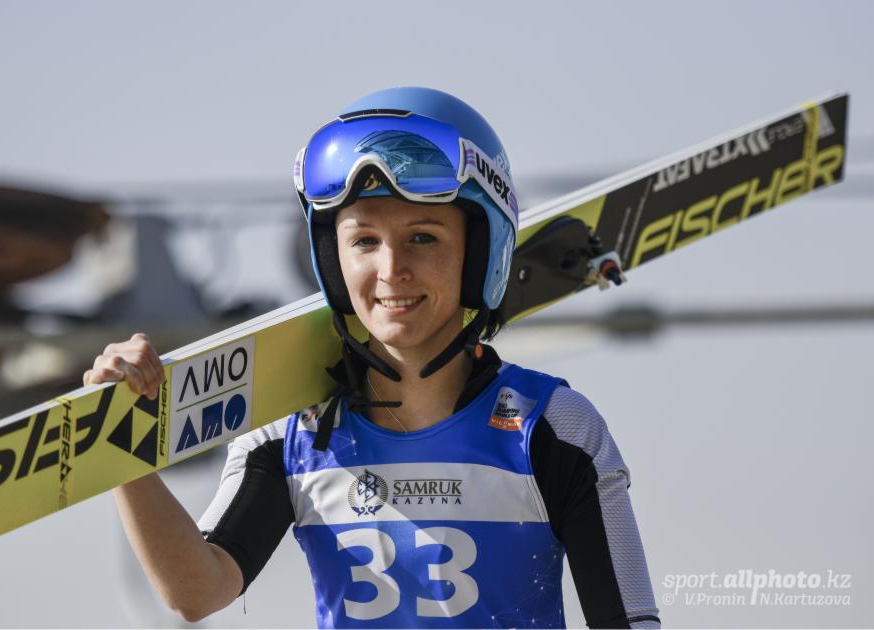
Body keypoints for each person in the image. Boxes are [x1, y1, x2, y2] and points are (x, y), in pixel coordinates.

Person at [85, 87, 661, 628]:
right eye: (364, 241)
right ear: (332, 261)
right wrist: (117, 447)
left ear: (482, 254)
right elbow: (196, 592)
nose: (391, 270)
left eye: (423, 238)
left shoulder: (555, 428)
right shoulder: (291, 435)